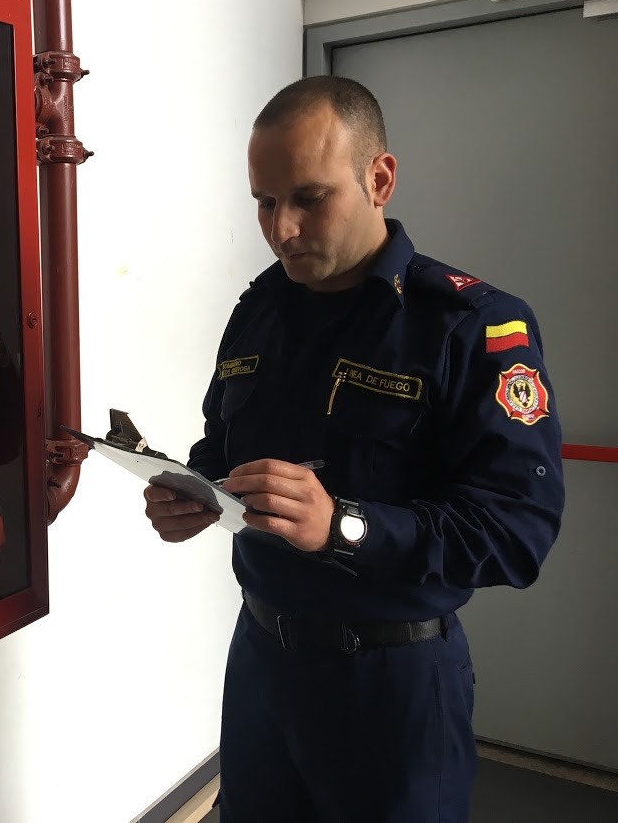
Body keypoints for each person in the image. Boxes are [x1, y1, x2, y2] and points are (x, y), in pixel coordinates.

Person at [143, 76, 564, 822]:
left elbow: (517, 533)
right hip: (263, 663)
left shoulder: (469, 326)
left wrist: (345, 525)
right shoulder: (258, 313)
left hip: (393, 684)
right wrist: (194, 491)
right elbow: (221, 445)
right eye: (265, 203)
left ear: (379, 179)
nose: (282, 230)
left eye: (308, 198)